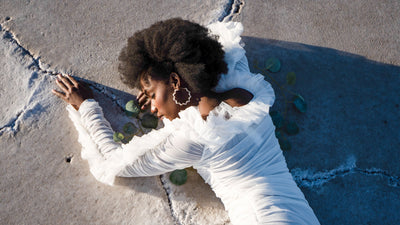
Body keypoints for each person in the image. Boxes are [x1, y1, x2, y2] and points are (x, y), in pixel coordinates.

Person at [52, 18, 320, 225]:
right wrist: (169, 95)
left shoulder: (193, 139)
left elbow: (112, 164)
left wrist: (86, 105)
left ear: (177, 81)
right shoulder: (244, 92)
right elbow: (225, 45)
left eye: (152, 95)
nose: (152, 106)